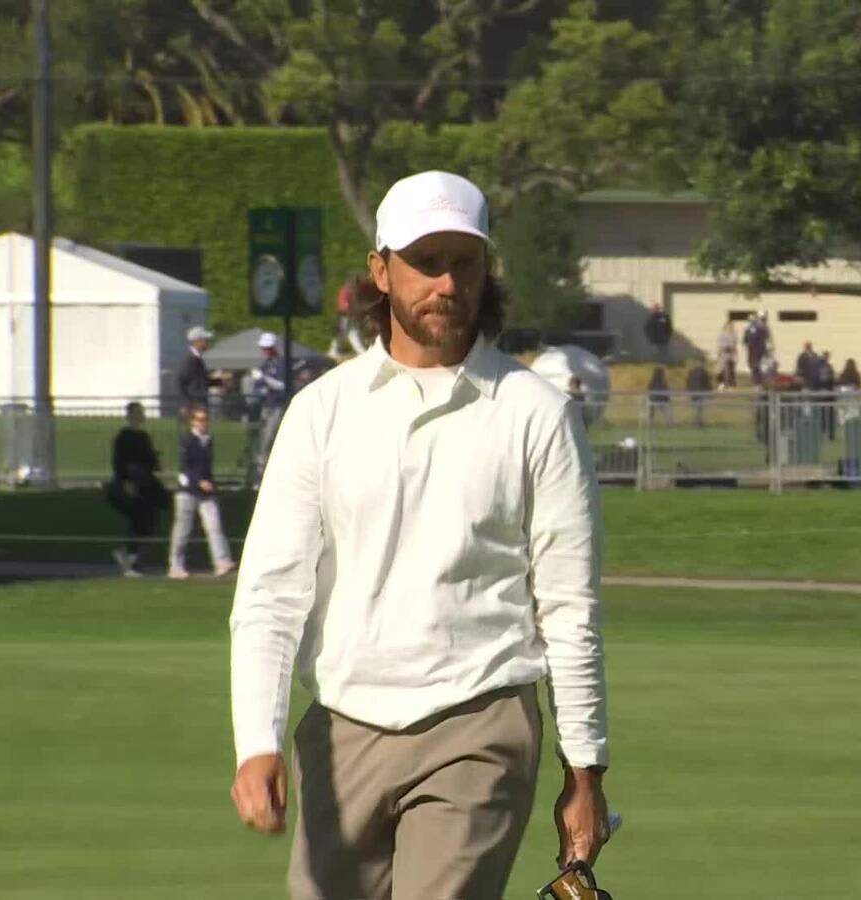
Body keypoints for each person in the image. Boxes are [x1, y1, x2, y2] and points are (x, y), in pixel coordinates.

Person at [229, 170, 610, 900]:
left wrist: (584, 771)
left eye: (463, 263)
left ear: (484, 269)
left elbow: (570, 605)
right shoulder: (321, 412)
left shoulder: (536, 414)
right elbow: (272, 595)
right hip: (341, 729)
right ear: (381, 270)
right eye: (425, 263)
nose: (445, 283)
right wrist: (258, 743)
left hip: (480, 721)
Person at [169, 406, 235, 579]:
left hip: (205, 492)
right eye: (199, 420)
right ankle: (176, 565)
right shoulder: (188, 440)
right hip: (188, 491)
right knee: (183, 530)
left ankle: (221, 561)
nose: (203, 423)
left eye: (205, 419)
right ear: (192, 422)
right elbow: (186, 468)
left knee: (214, 526)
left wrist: (209, 483)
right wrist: (199, 481)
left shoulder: (207, 440)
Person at [108, 401, 167, 577]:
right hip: (134, 484)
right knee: (138, 520)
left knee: (148, 521)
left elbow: (149, 460)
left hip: (146, 483)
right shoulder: (124, 437)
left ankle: (132, 556)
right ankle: (130, 558)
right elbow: (119, 462)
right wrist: (126, 481)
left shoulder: (144, 436)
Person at [251, 331, 288, 480]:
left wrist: (265, 379)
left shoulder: (281, 364)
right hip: (267, 405)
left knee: (270, 436)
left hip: (278, 405)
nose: (264, 351)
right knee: (262, 436)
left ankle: (266, 468)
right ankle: (261, 469)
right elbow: (259, 387)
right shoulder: (265, 365)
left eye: (266, 348)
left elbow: (281, 385)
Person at [178, 326, 215, 415]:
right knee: (196, 428)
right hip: (194, 405)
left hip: (199, 403)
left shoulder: (197, 359)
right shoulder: (190, 360)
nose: (207, 342)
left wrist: (220, 381)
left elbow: (200, 381)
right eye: (205, 340)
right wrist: (185, 404)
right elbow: (180, 381)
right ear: (197, 341)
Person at [743, 313, 770, 385]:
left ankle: (759, 380)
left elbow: (766, 338)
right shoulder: (752, 328)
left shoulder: (761, 327)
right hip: (754, 349)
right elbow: (746, 339)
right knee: (755, 365)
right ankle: (757, 381)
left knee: (758, 365)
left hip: (757, 349)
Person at [685, 359, 711, 427]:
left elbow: (688, 382)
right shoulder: (704, 372)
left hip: (693, 393)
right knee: (699, 409)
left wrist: (689, 390)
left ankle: (697, 422)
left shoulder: (691, 372)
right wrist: (709, 393)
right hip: (701, 392)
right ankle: (697, 422)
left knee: (697, 408)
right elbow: (707, 383)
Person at [714, 318, 737, 388]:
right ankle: (721, 383)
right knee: (720, 370)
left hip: (731, 354)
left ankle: (731, 384)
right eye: (729, 326)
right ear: (726, 326)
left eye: (732, 326)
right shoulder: (721, 334)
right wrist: (719, 353)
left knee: (730, 370)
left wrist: (735, 354)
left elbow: (734, 345)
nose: (731, 327)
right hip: (723, 353)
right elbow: (720, 345)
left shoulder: (734, 335)